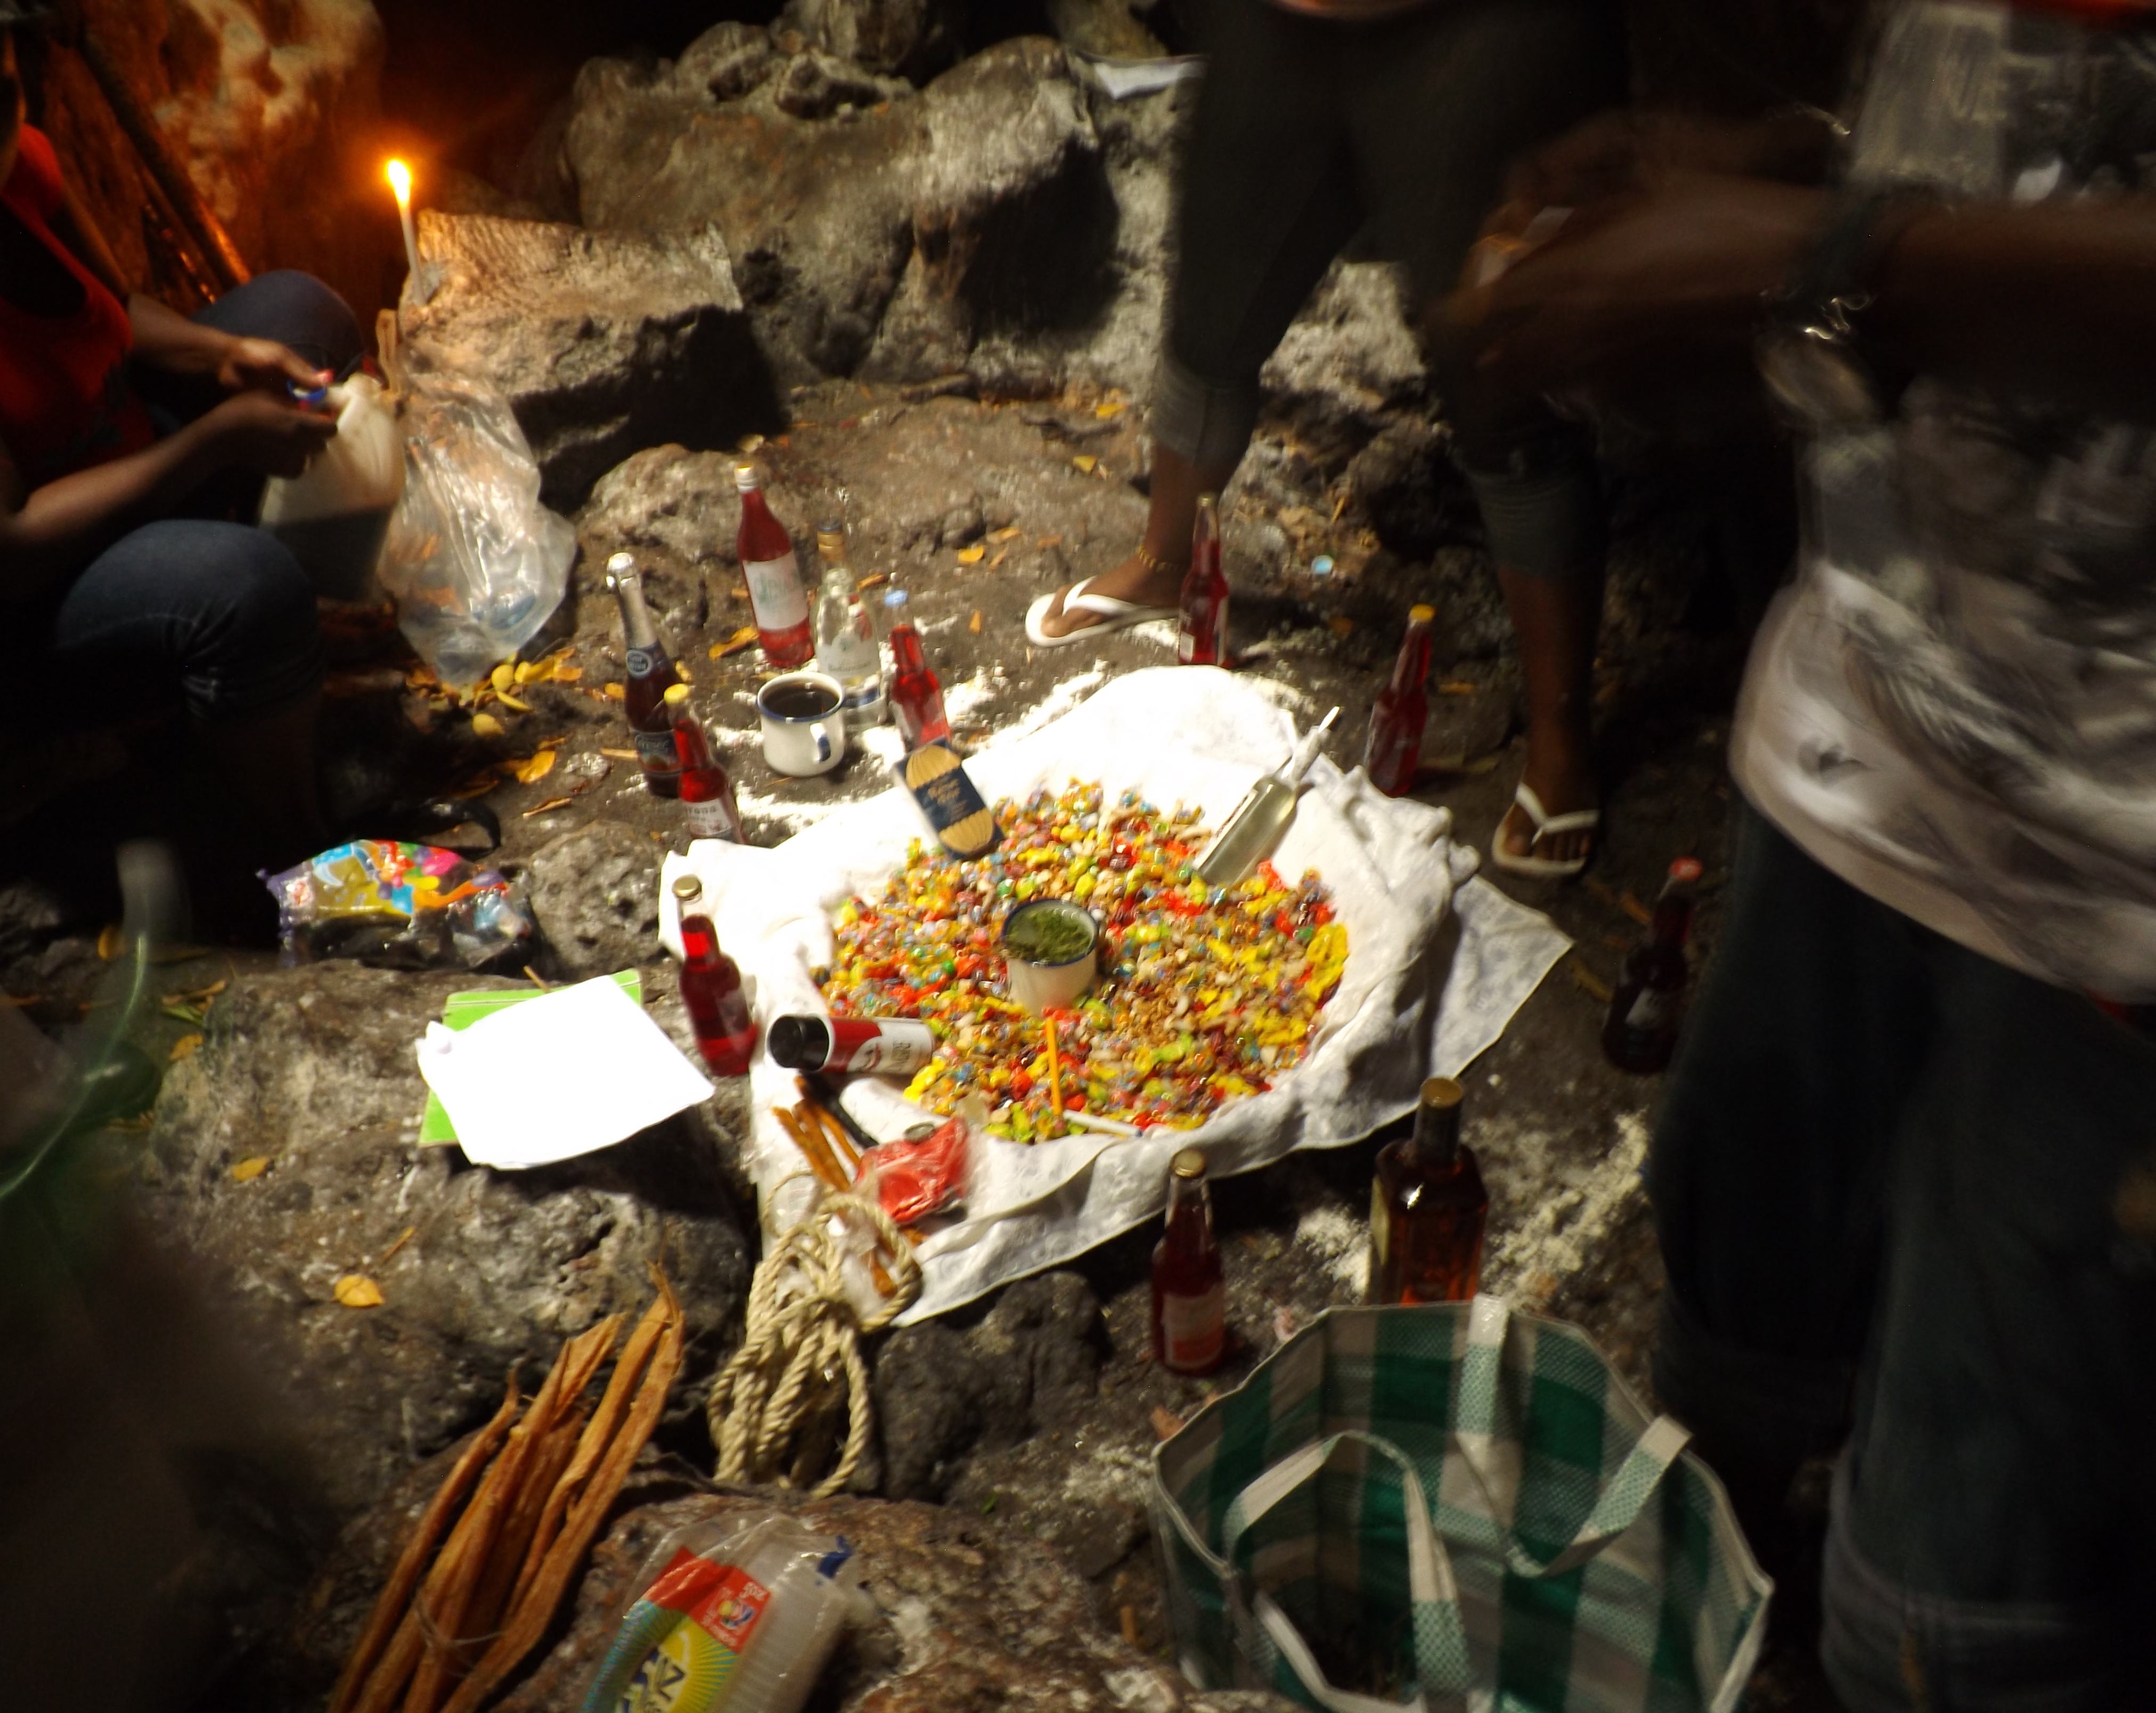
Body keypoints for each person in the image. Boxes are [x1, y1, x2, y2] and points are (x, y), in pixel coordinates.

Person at [1462, 0, 2156, 1704]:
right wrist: (1791, 172)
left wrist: (1815, 254)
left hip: (2113, 893)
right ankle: (1729, 1629)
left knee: (1958, 1596)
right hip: (1859, 721)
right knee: (1737, 1322)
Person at [1025, 0, 1625, 877]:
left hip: (1479, 29)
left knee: (1503, 372)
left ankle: (1561, 732)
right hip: (1285, 18)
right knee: (1211, 315)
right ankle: (1164, 564)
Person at [0, 7, 358, 879]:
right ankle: (284, 856)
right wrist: (210, 446)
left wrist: (221, 355)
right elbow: (11, 548)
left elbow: (117, 310)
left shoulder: (21, 162)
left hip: (123, 452)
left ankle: (260, 676)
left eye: (0, 93)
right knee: (247, 588)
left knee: (302, 317)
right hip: (33, 597)